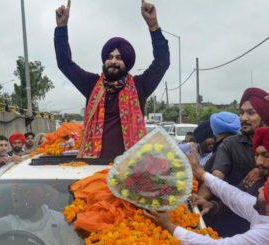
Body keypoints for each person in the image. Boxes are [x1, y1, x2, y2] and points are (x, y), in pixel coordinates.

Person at [54, 0, 170, 159]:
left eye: (119, 57)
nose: (113, 61)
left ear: (127, 63)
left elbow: (162, 62)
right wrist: (61, 29)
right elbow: (65, 64)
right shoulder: (92, 85)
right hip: (92, 165)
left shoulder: (139, 86)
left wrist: (153, 26)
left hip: (129, 170)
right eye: (109, 57)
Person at [145, 142, 269, 245]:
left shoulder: (265, 233)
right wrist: (202, 173)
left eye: (264, 190)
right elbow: (233, 195)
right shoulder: (261, 210)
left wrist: (169, 226)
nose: (258, 190)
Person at [197, 87, 269, 237]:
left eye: (251, 113)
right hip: (231, 221)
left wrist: (263, 170)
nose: (243, 118)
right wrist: (199, 201)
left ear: (264, 114)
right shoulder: (230, 144)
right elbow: (216, 177)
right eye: (241, 113)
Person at [0, 186, 83, 244]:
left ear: (37, 202)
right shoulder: (11, 221)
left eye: (24, 202)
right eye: (16, 203)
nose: (18, 207)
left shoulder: (60, 220)